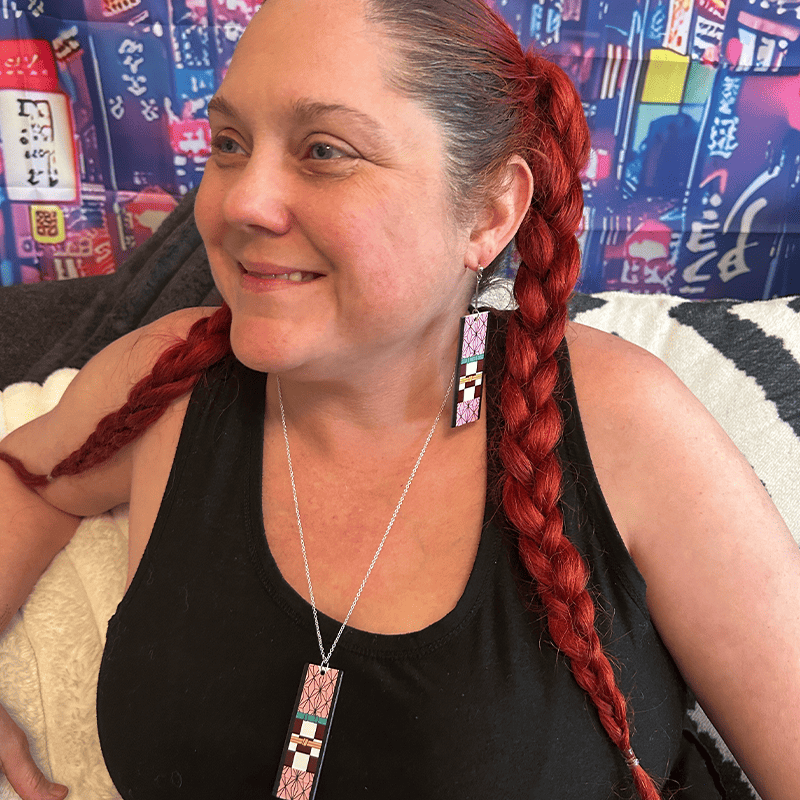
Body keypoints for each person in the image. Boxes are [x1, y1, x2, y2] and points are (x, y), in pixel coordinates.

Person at [1, 0, 798, 798]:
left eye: (324, 151)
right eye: (229, 144)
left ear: (489, 212)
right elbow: (25, 480)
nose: (240, 201)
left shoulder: (622, 424)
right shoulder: (163, 382)